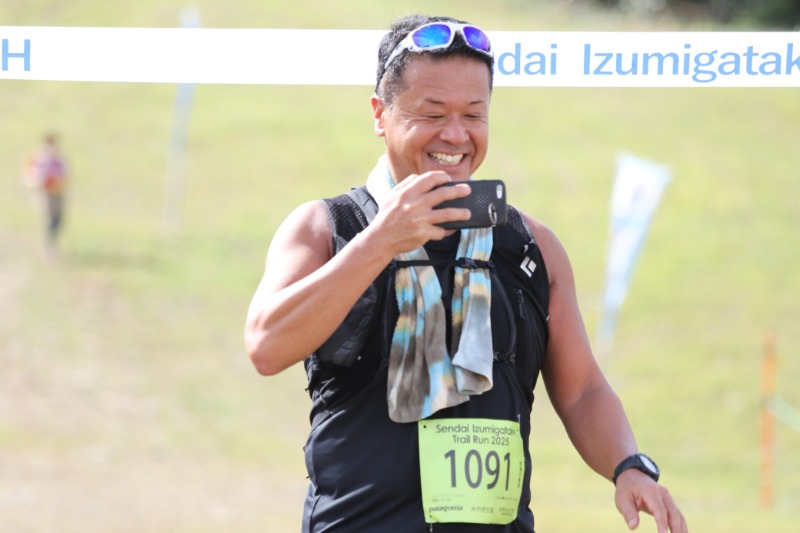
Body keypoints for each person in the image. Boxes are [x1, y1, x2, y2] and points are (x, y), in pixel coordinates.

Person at [245, 14, 687, 533]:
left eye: (474, 114)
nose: (455, 135)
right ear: (380, 114)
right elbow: (266, 345)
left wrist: (628, 466)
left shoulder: (531, 246)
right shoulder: (328, 229)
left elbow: (583, 389)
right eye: (432, 114)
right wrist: (381, 241)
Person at [23, 133, 68, 253]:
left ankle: (52, 241)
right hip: (46, 191)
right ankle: (49, 244)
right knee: (48, 217)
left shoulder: (58, 157)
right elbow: (33, 174)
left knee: (58, 217)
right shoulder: (41, 157)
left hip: (57, 191)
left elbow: (64, 172)